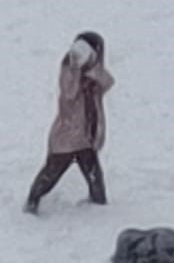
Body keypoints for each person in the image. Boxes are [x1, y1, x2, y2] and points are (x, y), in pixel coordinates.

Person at [24, 32, 114, 214]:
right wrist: (76, 68)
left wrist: (92, 67)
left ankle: (99, 204)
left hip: (86, 137)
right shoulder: (69, 72)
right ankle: (32, 201)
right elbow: (68, 93)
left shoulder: (93, 80)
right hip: (67, 138)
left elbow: (108, 82)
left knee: (94, 174)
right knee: (51, 173)